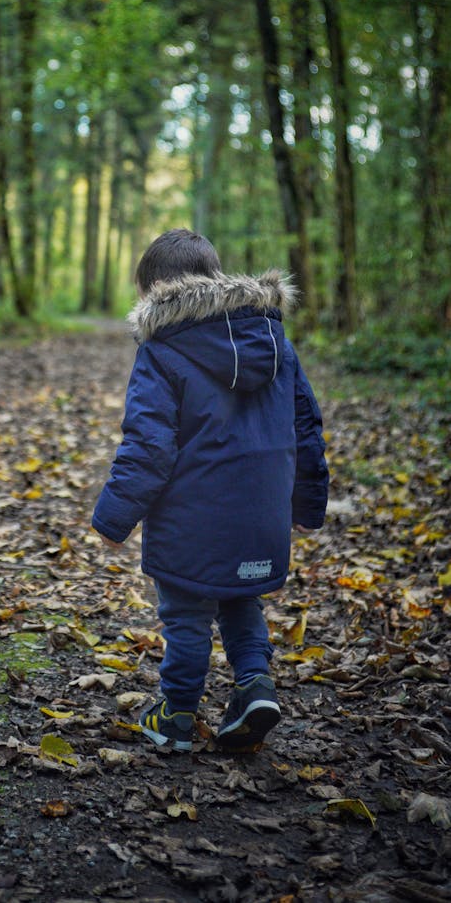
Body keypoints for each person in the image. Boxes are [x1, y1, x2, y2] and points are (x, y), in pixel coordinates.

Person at [92, 229, 329, 752]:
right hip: (260, 515)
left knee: (186, 615)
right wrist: (309, 506)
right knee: (241, 601)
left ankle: (176, 714)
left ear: (154, 290)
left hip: (190, 519)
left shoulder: (161, 350)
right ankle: (254, 686)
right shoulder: (275, 342)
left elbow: (149, 445)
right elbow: (307, 429)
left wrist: (113, 520)